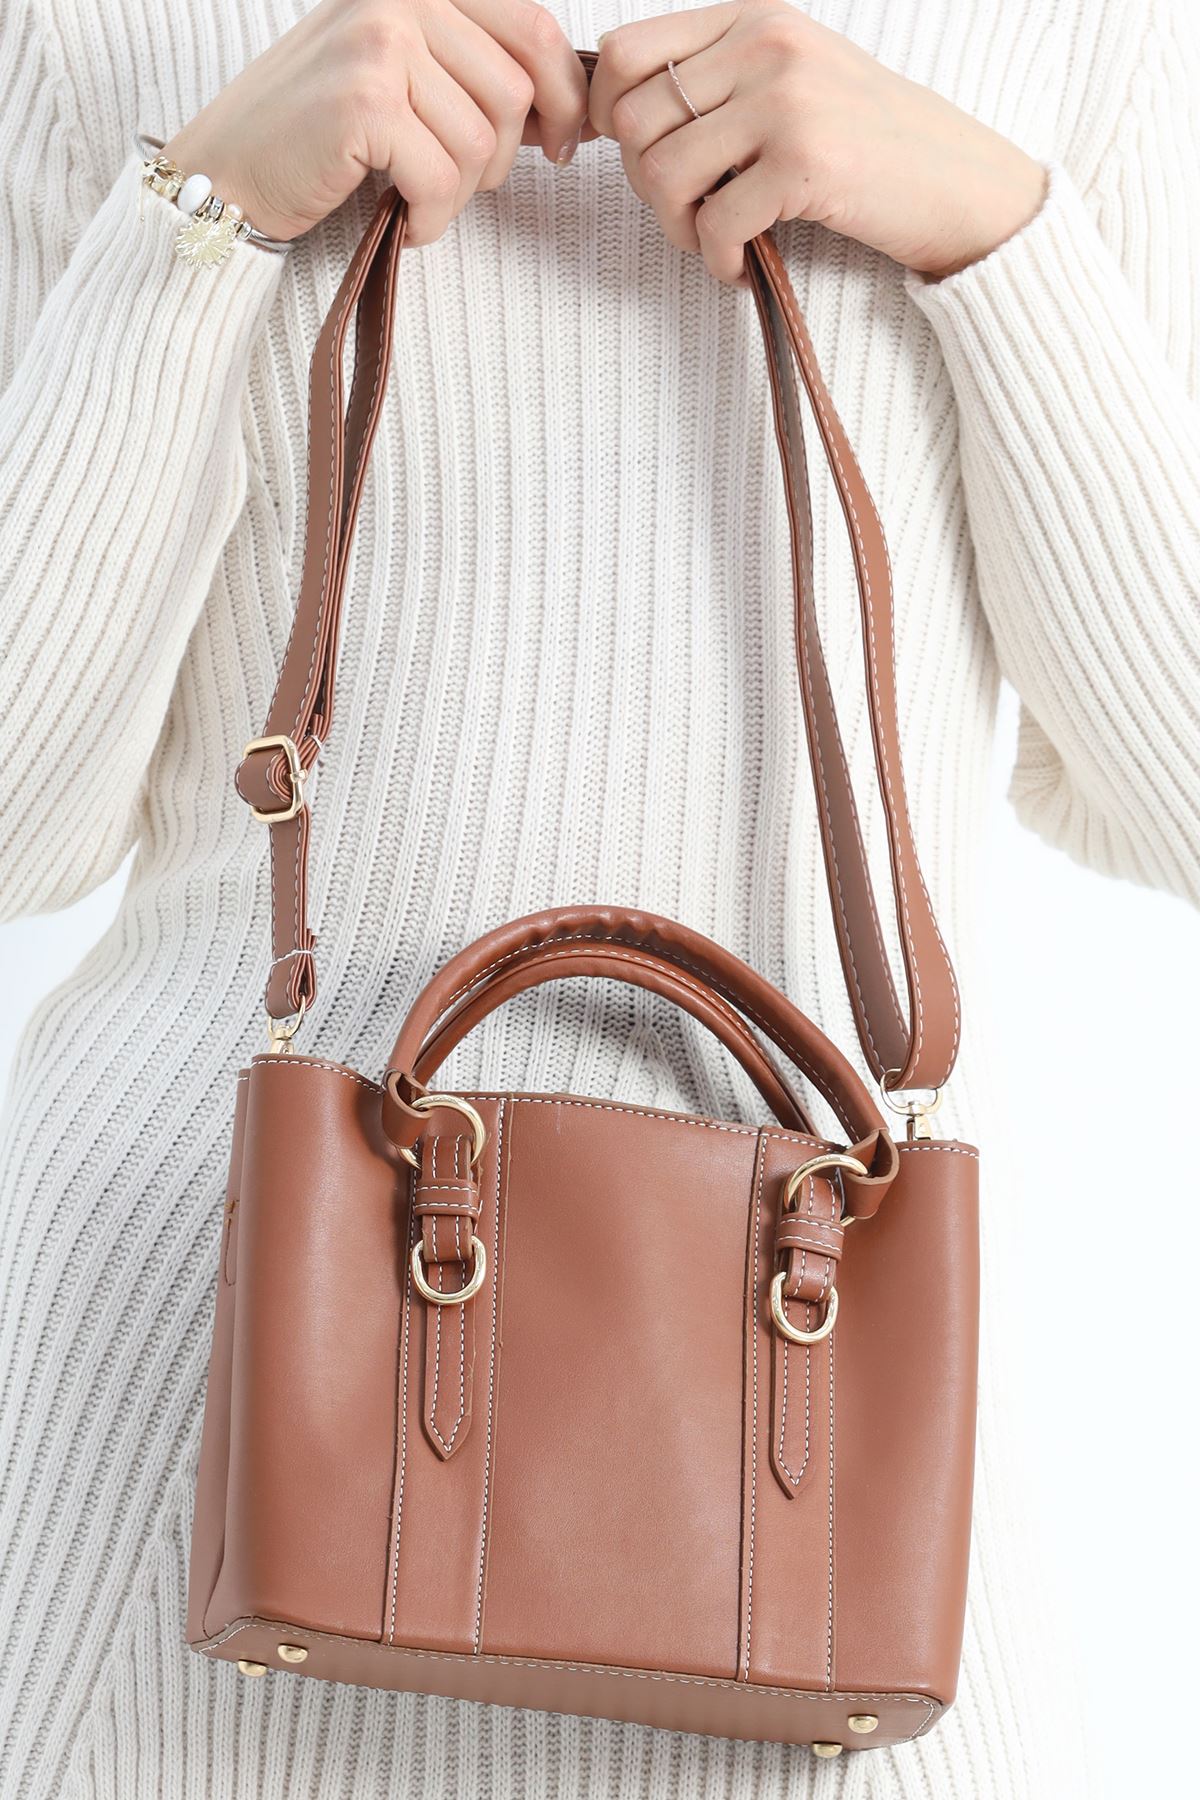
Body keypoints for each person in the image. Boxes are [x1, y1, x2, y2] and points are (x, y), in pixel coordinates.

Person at [0, 1, 1196, 1796]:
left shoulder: (1084, 32)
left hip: (810, 1503)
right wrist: (205, 212)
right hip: (177, 1461)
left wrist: (997, 237)